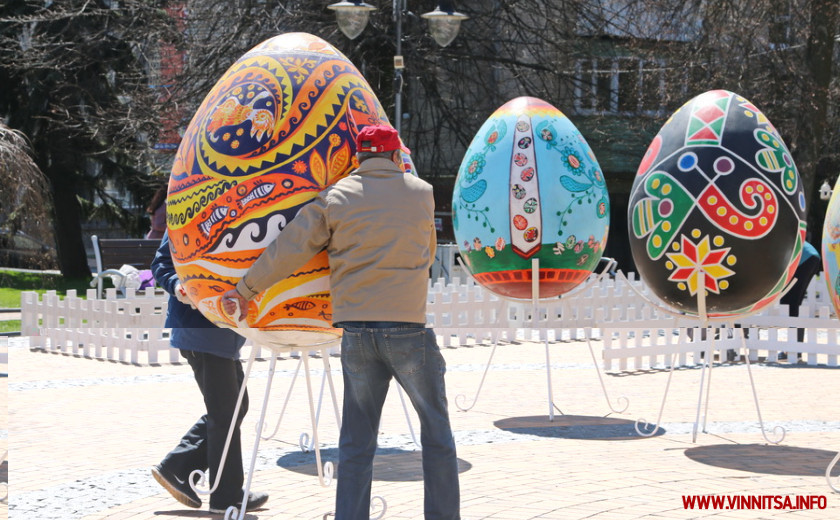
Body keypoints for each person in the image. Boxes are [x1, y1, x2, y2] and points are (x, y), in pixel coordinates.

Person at [222, 125, 460, 520]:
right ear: (396, 155)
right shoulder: (422, 194)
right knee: (437, 435)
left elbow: (290, 248)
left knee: (356, 443)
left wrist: (245, 290)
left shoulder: (335, 197)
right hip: (408, 329)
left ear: (358, 158)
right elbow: (427, 253)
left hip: (357, 333)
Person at [150, 231, 268, 514]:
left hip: (224, 335)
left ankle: (180, 467)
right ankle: (225, 496)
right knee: (225, 412)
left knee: (234, 408)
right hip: (200, 332)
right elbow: (162, 264)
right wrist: (179, 285)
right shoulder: (189, 213)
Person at [779, 239, 821, 345]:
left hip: (804, 258)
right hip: (810, 256)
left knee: (789, 303)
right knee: (791, 303)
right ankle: (796, 346)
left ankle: (795, 347)